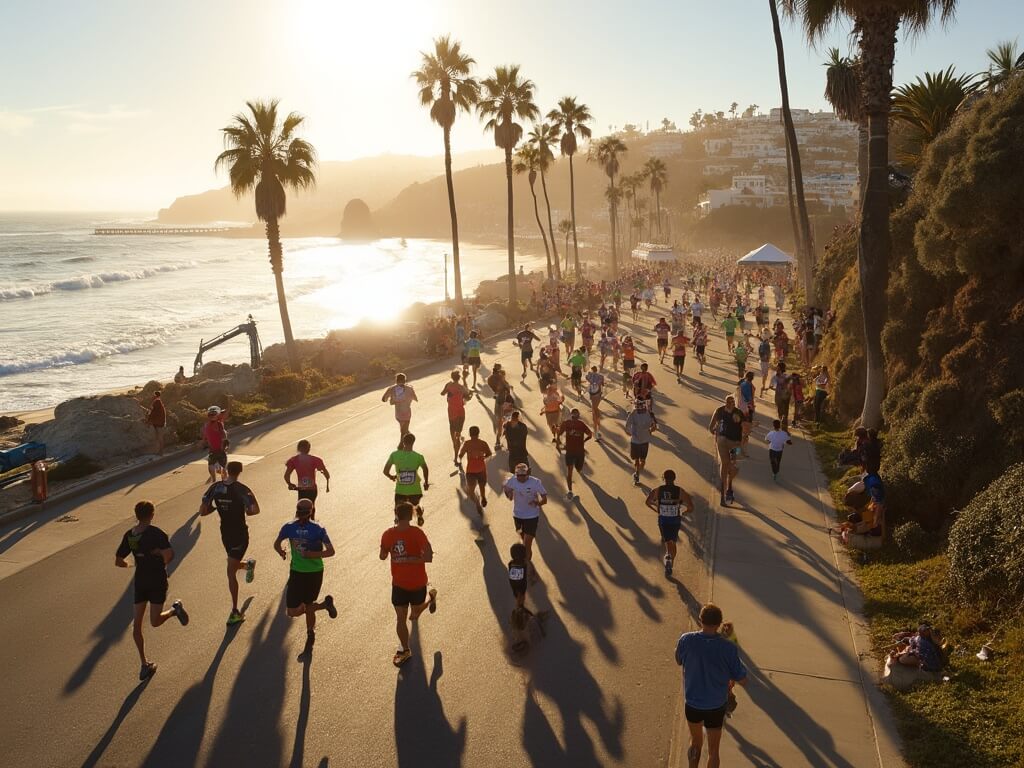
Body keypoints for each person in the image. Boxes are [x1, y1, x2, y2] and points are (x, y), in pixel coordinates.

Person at [115, 500, 189, 680]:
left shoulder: (130, 535)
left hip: (144, 581)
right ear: (152, 514)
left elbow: (118, 560)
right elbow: (170, 555)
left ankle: (174, 610)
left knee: (146, 624)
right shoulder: (156, 533)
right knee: (142, 625)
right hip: (153, 580)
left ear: (136, 514)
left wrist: (132, 564)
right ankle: (144, 664)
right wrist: (159, 561)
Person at [675, 603, 749, 768]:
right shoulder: (728, 648)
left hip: (693, 703)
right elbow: (743, 679)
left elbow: (678, 660)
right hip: (716, 705)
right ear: (719, 623)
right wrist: (731, 640)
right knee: (714, 751)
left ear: (700, 620)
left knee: (695, 743)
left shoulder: (686, 640)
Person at [274, 498, 337, 658]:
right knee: (292, 611)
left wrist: (310, 555)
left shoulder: (316, 529)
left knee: (308, 604)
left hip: (313, 572)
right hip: (299, 572)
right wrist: (281, 551)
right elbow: (277, 543)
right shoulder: (292, 527)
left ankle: (310, 633)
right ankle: (324, 605)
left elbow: (331, 551)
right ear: (312, 510)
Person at [200, 460, 260, 625]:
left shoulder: (215, 488)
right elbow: (255, 510)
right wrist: (245, 510)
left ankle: (235, 611)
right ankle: (248, 565)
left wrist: (216, 508)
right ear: (240, 472)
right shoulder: (243, 490)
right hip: (239, 533)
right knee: (232, 565)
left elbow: (202, 511)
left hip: (226, 534)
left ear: (227, 470)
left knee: (230, 571)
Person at [379, 501, 437, 667]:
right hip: (399, 584)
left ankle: (430, 598)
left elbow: (428, 557)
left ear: (396, 515)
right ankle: (405, 649)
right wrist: (385, 551)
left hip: (418, 583)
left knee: (414, 615)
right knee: (401, 618)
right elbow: (382, 556)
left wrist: (411, 559)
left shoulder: (418, 534)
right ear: (411, 515)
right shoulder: (388, 534)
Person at [645, 469, 694, 577]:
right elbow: (690, 506)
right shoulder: (680, 491)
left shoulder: (658, 490)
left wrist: (656, 507)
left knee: (667, 541)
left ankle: (668, 557)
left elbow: (648, 502)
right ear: (674, 478)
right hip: (675, 520)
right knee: (672, 542)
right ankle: (670, 560)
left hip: (663, 520)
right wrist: (684, 512)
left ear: (664, 478)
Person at [503, 463, 548, 577]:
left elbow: (544, 498)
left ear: (528, 473)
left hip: (532, 516)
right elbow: (507, 490)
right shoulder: (512, 481)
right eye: (519, 475)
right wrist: (508, 493)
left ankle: (526, 569)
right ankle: (528, 564)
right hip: (517, 515)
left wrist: (537, 503)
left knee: (527, 544)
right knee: (523, 542)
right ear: (516, 474)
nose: (521, 478)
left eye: (523, 475)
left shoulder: (535, 482)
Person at [383, 433, 429, 526]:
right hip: (415, 490)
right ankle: (419, 515)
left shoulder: (394, 455)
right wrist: (426, 482)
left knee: (398, 507)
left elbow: (385, 471)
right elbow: (425, 468)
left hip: (401, 490)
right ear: (413, 442)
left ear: (403, 442)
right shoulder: (418, 457)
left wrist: (391, 477)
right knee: (415, 505)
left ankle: (396, 519)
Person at [708, 396, 743, 505]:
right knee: (731, 465)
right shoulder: (738, 412)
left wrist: (715, 431)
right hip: (735, 443)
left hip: (725, 441)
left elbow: (710, 427)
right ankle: (727, 488)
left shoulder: (719, 410)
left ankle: (725, 489)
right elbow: (745, 428)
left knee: (727, 465)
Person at [284, 440, 330, 513]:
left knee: (301, 509)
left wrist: (289, 483)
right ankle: (311, 521)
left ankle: (301, 522)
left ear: (298, 449)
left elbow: (286, 475)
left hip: (302, 488)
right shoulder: (315, 460)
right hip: (312, 488)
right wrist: (327, 478)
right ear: (309, 448)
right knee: (311, 506)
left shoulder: (293, 460)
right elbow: (326, 473)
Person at [557, 407, 593, 500]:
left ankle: (570, 491)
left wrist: (558, 443)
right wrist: (584, 441)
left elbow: (559, 434)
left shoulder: (569, 424)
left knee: (575, 470)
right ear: (578, 416)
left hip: (574, 451)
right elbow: (590, 435)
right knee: (571, 471)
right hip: (576, 451)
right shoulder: (579, 424)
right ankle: (570, 491)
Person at [458, 425, 492, 514]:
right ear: (478, 433)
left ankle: (477, 503)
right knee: (481, 486)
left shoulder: (467, 443)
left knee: (471, 491)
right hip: (481, 468)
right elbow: (489, 454)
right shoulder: (483, 443)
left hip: (470, 470)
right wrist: (482, 456)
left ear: (469, 434)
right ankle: (483, 497)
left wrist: (459, 461)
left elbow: (460, 455)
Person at [625, 399, 658, 486]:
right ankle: (637, 474)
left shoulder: (647, 414)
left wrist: (651, 429)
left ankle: (638, 472)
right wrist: (649, 431)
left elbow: (654, 427)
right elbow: (627, 425)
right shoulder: (635, 413)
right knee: (637, 460)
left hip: (641, 441)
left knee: (641, 461)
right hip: (638, 441)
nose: (639, 409)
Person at [440, 370, 469, 464]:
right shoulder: (461, 387)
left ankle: (456, 457)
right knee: (457, 435)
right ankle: (457, 455)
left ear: (452, 377)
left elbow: (442, 393)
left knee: (453, 437)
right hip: (461, 413)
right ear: (459, 378)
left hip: (452, 414)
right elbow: (468, 395)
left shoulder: (448, 385)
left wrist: (448, 392)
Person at [382, 373, 418, 447]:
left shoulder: (391, 388)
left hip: (398, 413)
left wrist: (392, 398)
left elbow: (383, 399)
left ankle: (404, 443)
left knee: (404, 429)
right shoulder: (409, 388)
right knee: (404, 430)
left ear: (396, 380)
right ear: (404, 380)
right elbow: (415, 398)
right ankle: (403, 444)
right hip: (407, 412)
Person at [201, 405, 230, 483]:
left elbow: (223, 434)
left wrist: (225, 443)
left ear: (217, 415)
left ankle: (224, 481)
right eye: (210, 415)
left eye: (213, 415)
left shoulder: (219, 423)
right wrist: (203, 442)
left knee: (222, 467)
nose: (211, 416)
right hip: (213, 450)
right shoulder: (206, 425)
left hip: (220, 449)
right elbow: (205, 435)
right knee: (211, 465)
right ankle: (214, 480)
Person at [487, 363, 511, 451]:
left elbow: (493, 389)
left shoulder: (490, 378)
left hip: (498, 401)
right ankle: (501, 440)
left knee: (499, 420)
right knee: (505, 419)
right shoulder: (500, 377)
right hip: (503, 400)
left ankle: (498, 439)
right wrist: (507, 389)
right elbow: (507, 387)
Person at [541, 383, 564, 447]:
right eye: (548, 389)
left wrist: (560, 399)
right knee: (551, 426)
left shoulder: (555, 396)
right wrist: (543, 411)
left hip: (555, 412)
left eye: (550, 389)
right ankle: (555, 436)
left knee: (556, 426)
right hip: (548, 413)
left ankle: (557, 438)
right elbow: (546, 405)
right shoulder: (545, 397)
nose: (549, 391)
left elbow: (561, 401)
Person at [585, 366, 605, 440]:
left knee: (594, 410)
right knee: (595, 409)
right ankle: (598, 428)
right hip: (598, 394)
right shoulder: (601, 376)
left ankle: (596, 431)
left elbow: (586, 377)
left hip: (592, 395)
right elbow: (603, 384)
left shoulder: (590, 375)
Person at [770, 361, 792, 430]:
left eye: (778, 367)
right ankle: (783, 425)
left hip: (782, 396)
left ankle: (783, 425)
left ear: (780, 368)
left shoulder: (782, 376)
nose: (776, 368)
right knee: (783, 411)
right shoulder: (782, 376)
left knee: (782, 412)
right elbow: (771, 385)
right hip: (782, 396)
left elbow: (771, 386)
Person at [145, 390, 167, 454]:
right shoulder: (159, 402)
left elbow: (153, 413)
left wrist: (148, 420)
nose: (152, 396)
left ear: (155, 395)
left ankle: (161, 451)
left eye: (153, 395)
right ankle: (159, 451)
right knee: (159, 436)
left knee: (159, 437)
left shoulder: (157, 402)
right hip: (160, 421)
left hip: (158, 422)